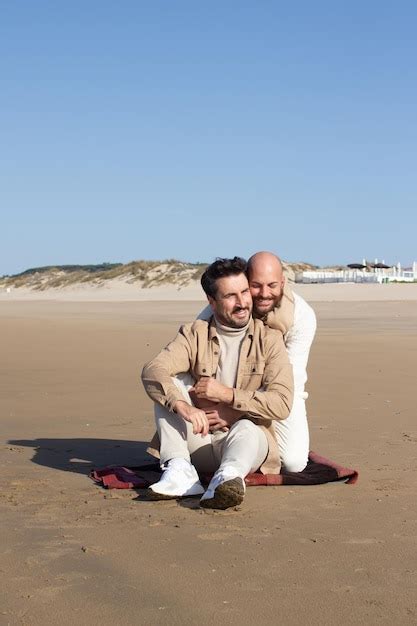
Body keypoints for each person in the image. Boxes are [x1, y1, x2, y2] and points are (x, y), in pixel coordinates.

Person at [141, 257, 294, 510]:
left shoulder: (270, 340)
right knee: (167, 394)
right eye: (231, 296)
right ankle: (180, 470)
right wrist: (183, 406)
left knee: (247, 428)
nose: (242, 302)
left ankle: (228, 479)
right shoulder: (194, 334)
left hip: (244, 444)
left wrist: (228, 396)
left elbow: (282, 403)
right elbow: (153, 369)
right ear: (212, 302)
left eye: (245, 292)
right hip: (197, 440)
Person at [198, 251, 316, 472]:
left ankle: (252, 439)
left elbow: (288, 384)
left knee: (293, 462)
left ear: (283, 282)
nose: (264, 293)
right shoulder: (218, 310)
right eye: (256, 285)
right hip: (231, 383)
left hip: (280, 392)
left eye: (272, 285)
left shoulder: (302, 317)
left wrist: (236, 410)